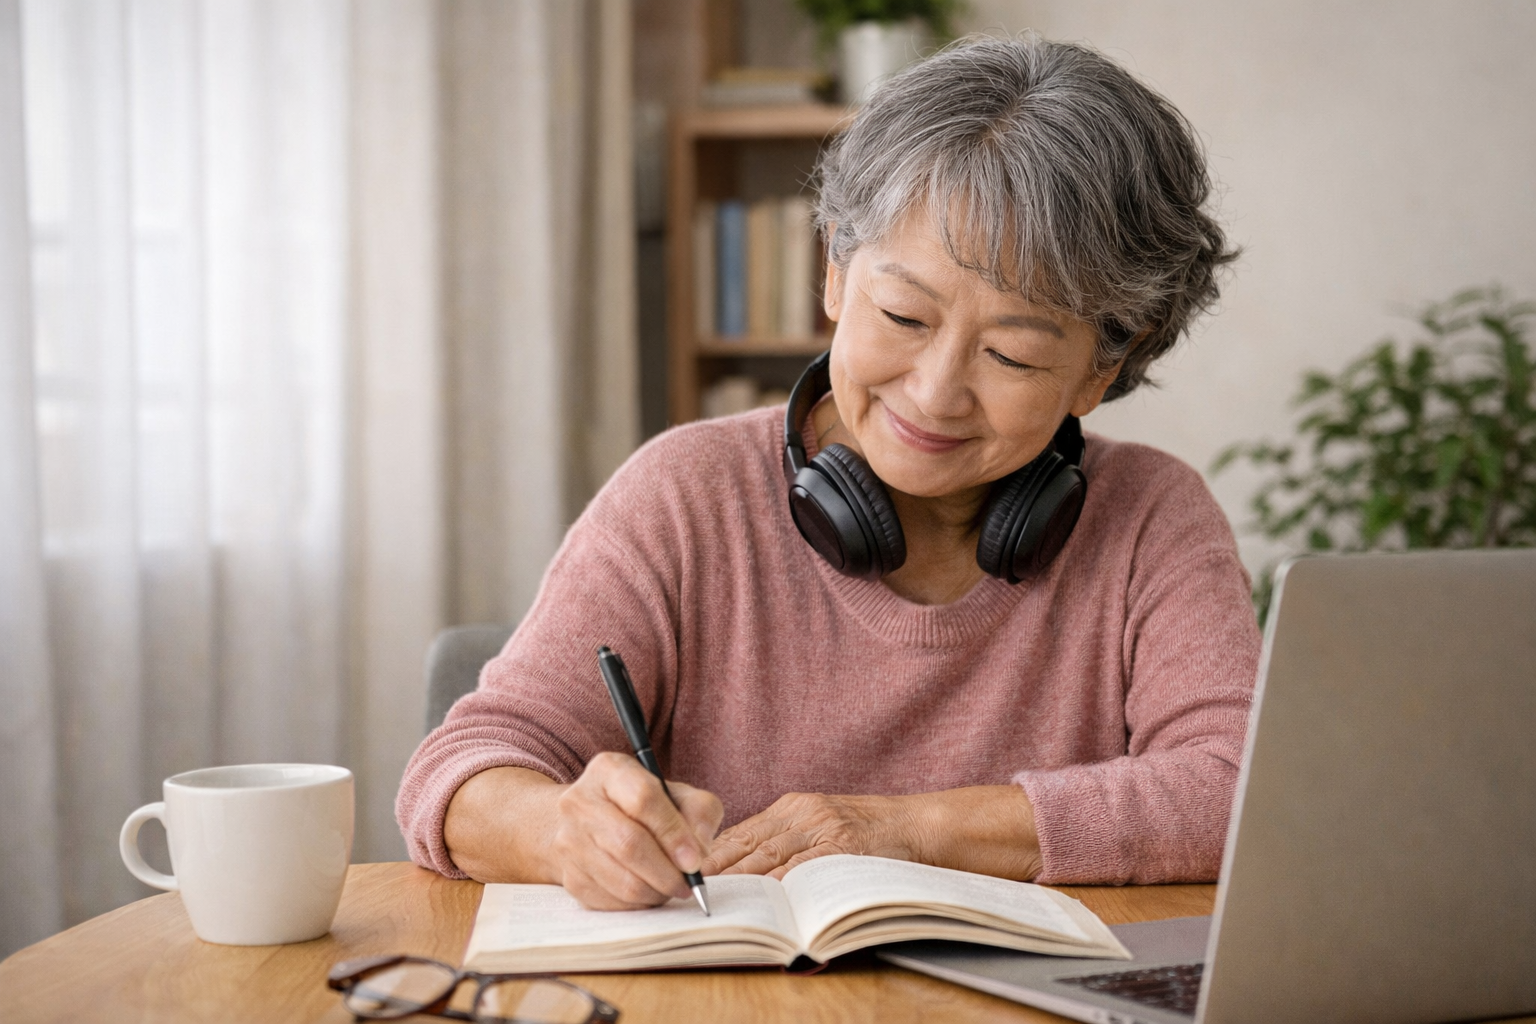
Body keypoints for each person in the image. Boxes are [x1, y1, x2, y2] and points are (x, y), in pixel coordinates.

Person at [397, 34, 1258, 911]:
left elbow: (1240, 792)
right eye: (902, 315)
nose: (934, 394)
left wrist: (908, 832)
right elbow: (462, 775)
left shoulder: (1153, 515)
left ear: (1101, 372)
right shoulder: (686, 493)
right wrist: (561, 829)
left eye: (1010, 354)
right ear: (835, 276)